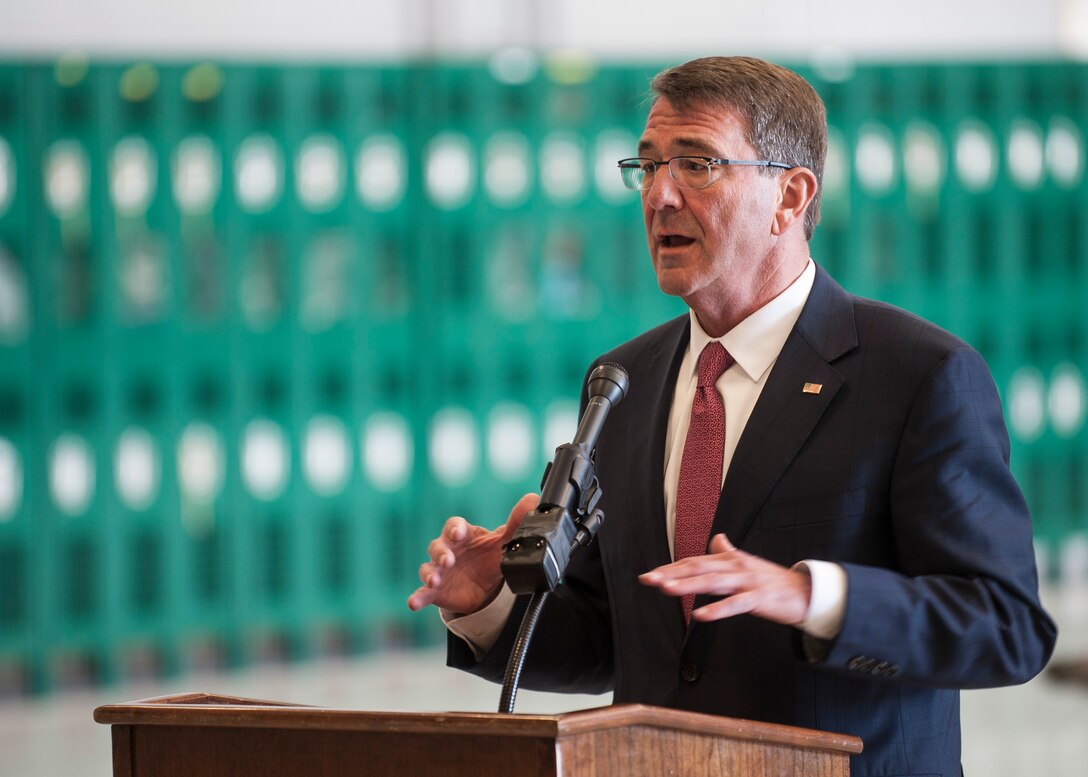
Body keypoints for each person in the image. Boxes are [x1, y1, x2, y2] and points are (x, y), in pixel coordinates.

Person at [407, 55, 1057, 776]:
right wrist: (487, 604)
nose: (660, 196)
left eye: (698, 164)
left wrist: (812, 594)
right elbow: (628, 641)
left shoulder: (918, 376)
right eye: (647, 167)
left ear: (790, 194)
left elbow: (1007, 627)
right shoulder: (622, 382)